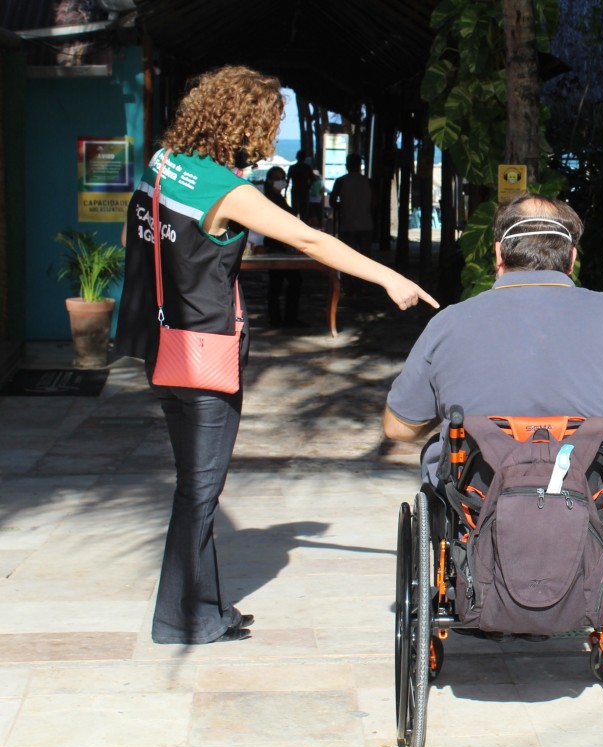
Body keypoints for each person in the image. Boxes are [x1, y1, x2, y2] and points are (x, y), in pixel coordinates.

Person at [115, 65, 437, 645]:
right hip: (204, 356)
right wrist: (389, 277)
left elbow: (131, 243)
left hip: (159, 345)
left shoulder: (161, 167)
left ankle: (207, 607)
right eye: (268, 123)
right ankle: (177, 619)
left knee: (195, 483)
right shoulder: (226, 189)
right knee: (200, 490)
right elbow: (310, 238)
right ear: (244, 123)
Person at [382, 194, 603, 484]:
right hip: (589, 504)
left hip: (475, 507)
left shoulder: (449, 323)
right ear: (571, 257)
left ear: (499, 254)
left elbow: (399, 428)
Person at [261, 165, 304, 327]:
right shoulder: (271, 199)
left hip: (283, 245)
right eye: (278, 178)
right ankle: (282, 318)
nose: (282, 181)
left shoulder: (278, 197)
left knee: (281, 283)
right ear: (271, 180)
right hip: (277, 246)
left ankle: (281, 318)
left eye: (283, 178)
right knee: (285, 282)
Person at [332, 153, 374, 256]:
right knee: (366, 256)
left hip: (348, 224)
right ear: (360, 165)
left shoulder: (340, 181)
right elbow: (374, 203)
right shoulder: (368, 182)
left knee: (348, 256)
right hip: (365, 224)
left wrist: (343, 207)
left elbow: (332, 201)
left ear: (347, 166)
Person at [286, 149, 313, 218]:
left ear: (297, 157)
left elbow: (288, 180)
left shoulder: (292, 168)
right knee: (304, 212)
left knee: (294, 211)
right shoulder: (307, 168)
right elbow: (313, 179)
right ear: (304, 158)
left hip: (295, 190)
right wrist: (309, 187)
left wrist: (285, 193)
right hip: (304, 191)